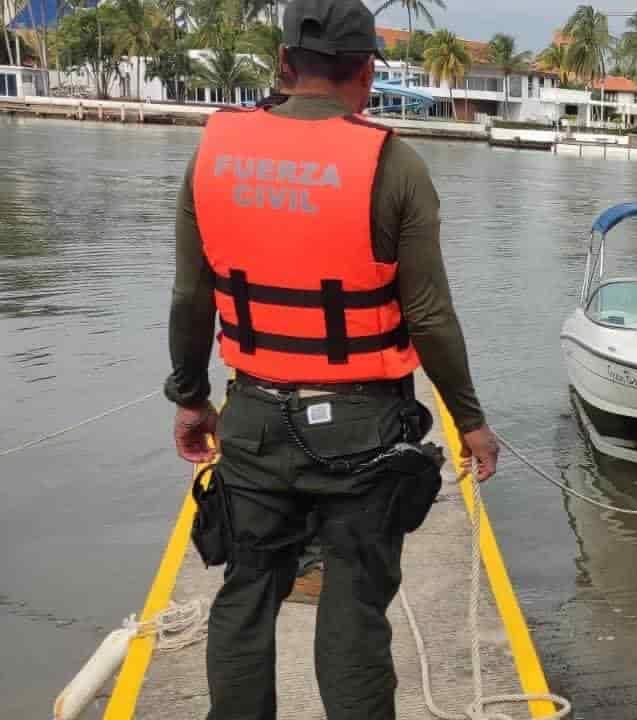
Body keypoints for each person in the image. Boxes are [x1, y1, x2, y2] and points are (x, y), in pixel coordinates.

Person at [164, 0, 501, 716]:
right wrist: (470, 420)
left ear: (283, 64)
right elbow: (431, 317)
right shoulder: (395, 164)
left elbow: (190, 298)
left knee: (247, 589)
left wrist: (192, 398)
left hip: (253, 415)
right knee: (352, 603)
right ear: (367, 71)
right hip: (362, 433)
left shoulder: (213, 154)